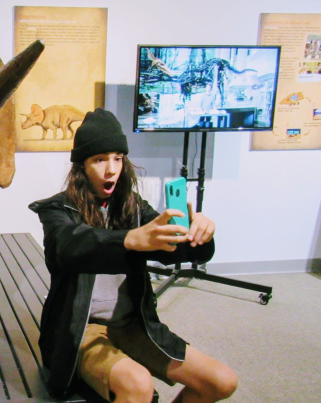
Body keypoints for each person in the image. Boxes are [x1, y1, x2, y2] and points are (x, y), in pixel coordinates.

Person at [28, 108, 238, 403]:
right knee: (139, 385)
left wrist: (199, 235)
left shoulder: (134, 207)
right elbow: (67, 246)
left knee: (222, 382)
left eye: (118, 157)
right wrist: (130, 240)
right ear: (81, 166)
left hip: (132, 325)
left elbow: (171, 251)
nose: (111, 169)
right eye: (99, 159)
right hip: (80, 330)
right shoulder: (58, 210)